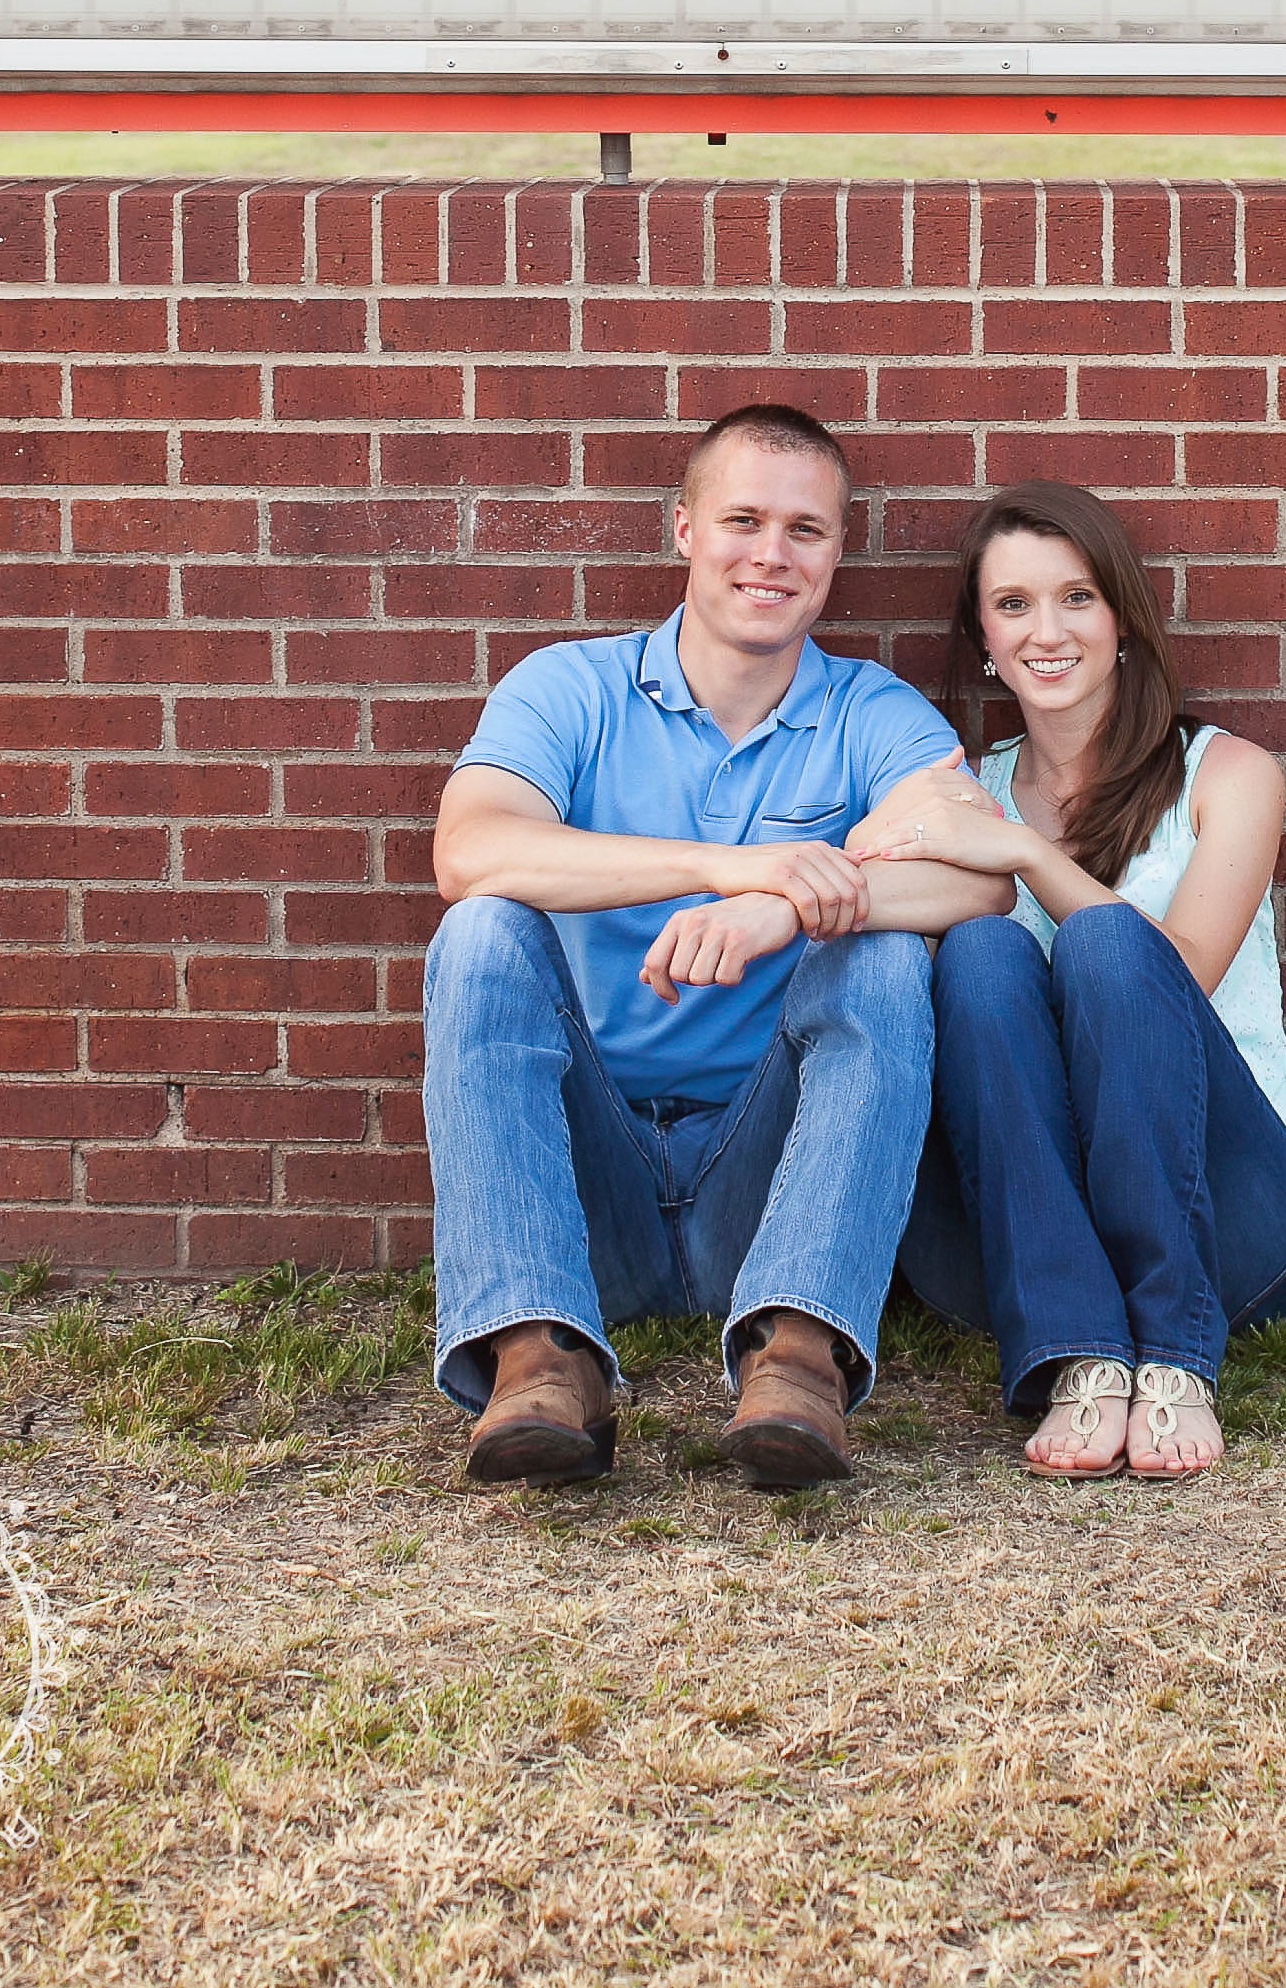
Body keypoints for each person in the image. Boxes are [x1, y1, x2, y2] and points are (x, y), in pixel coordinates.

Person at [422, 400, 1010, 1491]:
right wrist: (728, 866)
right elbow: (472, 850)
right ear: (684, 527)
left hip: (770, 1177)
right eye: (743, 520)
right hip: (582, 1184)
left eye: (805, 530)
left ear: (838, 550)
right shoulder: (571, 686)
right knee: (481, 934)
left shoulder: (872, 713)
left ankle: (797, 1355)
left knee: (880, 954)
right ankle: (537, 1358)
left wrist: (790, 909)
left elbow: (982, 877)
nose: (771, 556)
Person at [858, 481, 1286, 1481]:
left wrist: (1020, 855)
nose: (1047, 631)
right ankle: (1076, 1350)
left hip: (1232, 1225)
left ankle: (1172, 1354)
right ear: (982, 634)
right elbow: (857, 889)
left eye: (1076, 597)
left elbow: (1184, 972)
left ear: (1121, 617)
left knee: (1113, 949)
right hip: (1016, 1246)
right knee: (981, 954)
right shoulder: (958, 795)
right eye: (1013, 604)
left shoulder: (1228, 775)